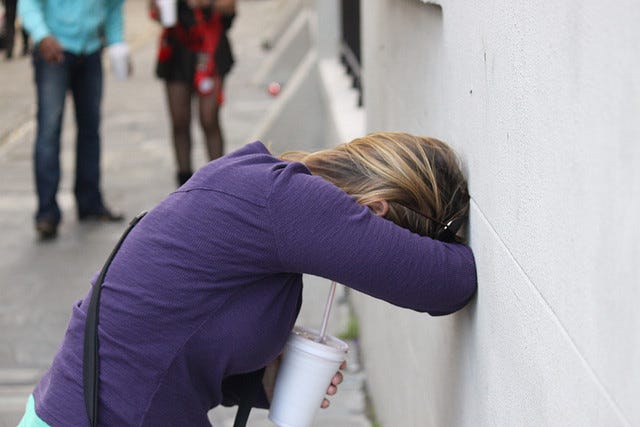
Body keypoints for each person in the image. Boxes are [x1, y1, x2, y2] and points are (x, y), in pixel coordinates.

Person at [17, 132, 478, 425]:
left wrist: (263, 381)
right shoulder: (287, 200)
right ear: (376, 209)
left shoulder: (257, 184)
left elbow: (170, 334)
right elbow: (447, 282)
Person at [18, 0, 126, 240]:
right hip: (53, 49)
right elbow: (28, 4)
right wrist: (41, 35)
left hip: (90, 50)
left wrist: (118, 44)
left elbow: (113, 7)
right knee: (49, 129)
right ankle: (47, 212)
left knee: (90, 129)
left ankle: (89, 203)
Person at [151, 0, 236, 186]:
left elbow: (230, 6)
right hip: (177, 49)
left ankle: (220, 184)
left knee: (209, 119)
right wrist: (157, 9)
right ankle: (184, 185)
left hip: (210, 45)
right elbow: (154, 11)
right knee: (179, 121)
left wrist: (207, 3)